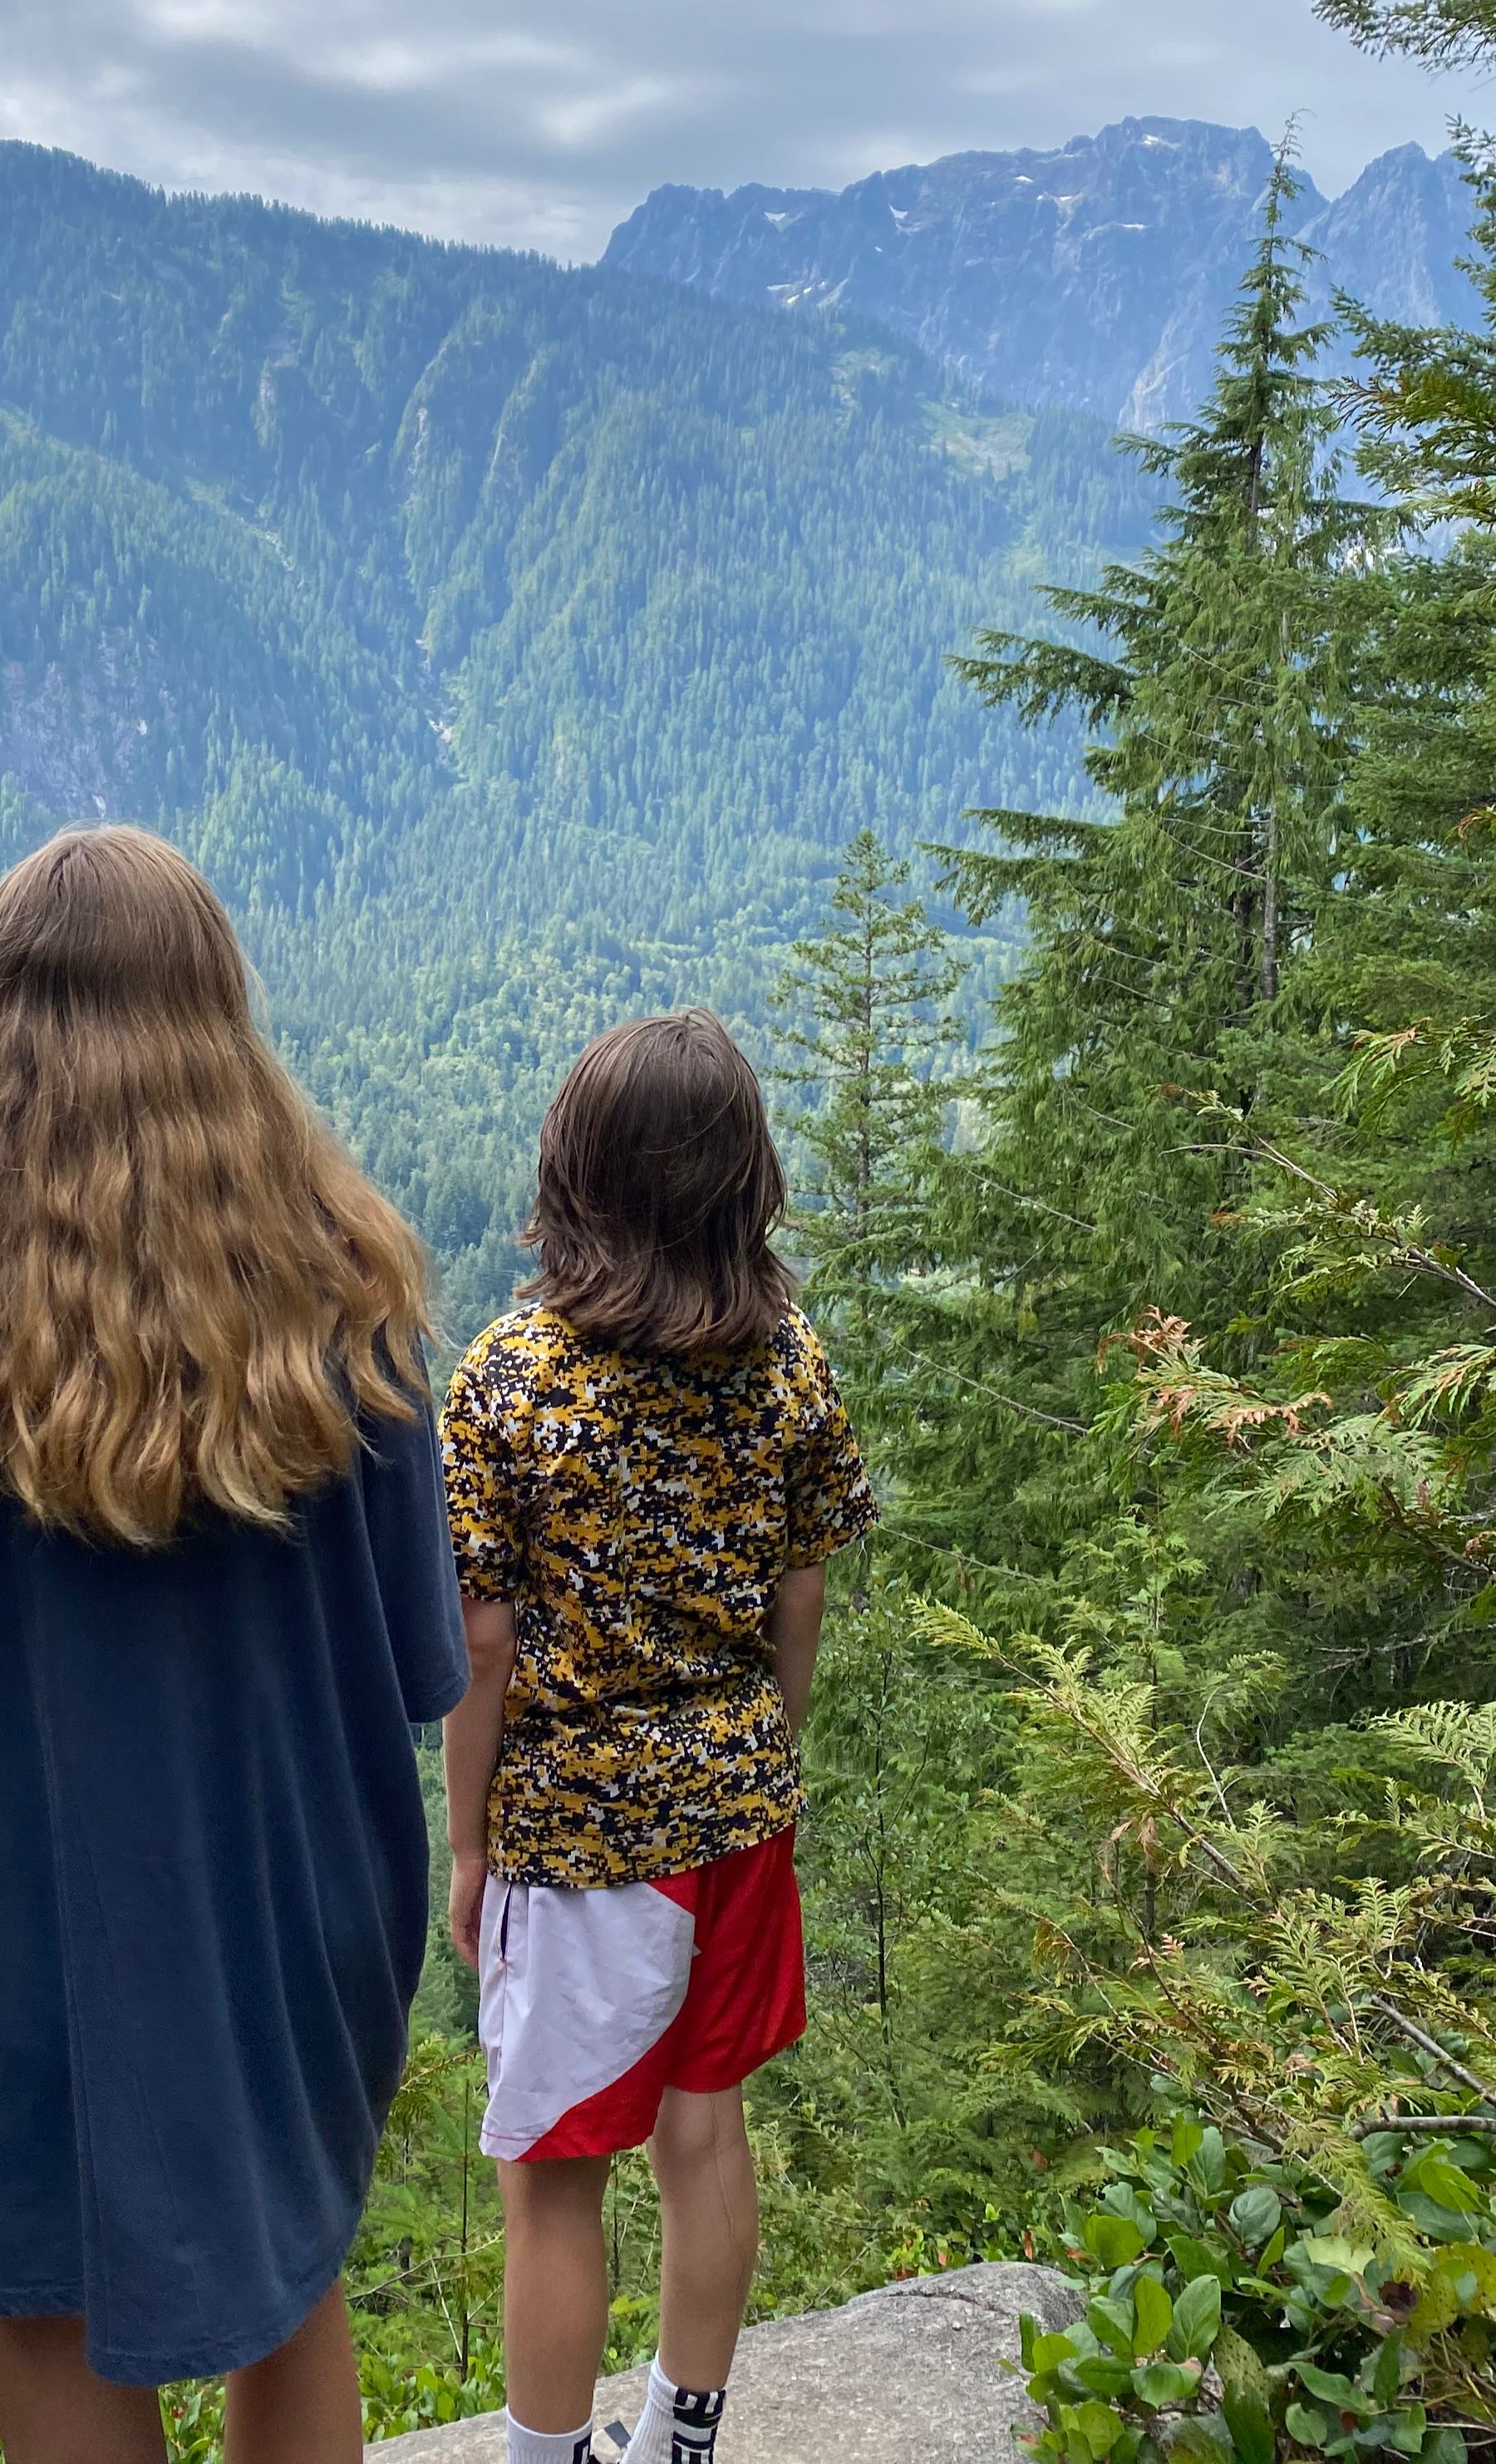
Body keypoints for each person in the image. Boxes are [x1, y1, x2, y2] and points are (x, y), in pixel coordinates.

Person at [0, 825, 466, 2464]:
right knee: (297, 2281)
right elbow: (418, 1672)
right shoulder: (353, 1306)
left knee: (43, 2326)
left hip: (10, 1939)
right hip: (289, 1920)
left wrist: (3, 1786)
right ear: (217, 1011)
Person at [440, 1009, 878, 2464]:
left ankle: (544, 2458)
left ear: (575, 1176)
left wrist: (469, 1839)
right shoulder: (791, 1365)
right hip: (739, 1808)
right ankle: (680, 2439)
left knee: (556, 2184)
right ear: (744, 1182)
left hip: (577, 1840)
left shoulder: (511, 1377)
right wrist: (764, 1752)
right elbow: (801, 1588)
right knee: (706, 2134)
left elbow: (482, 1641)